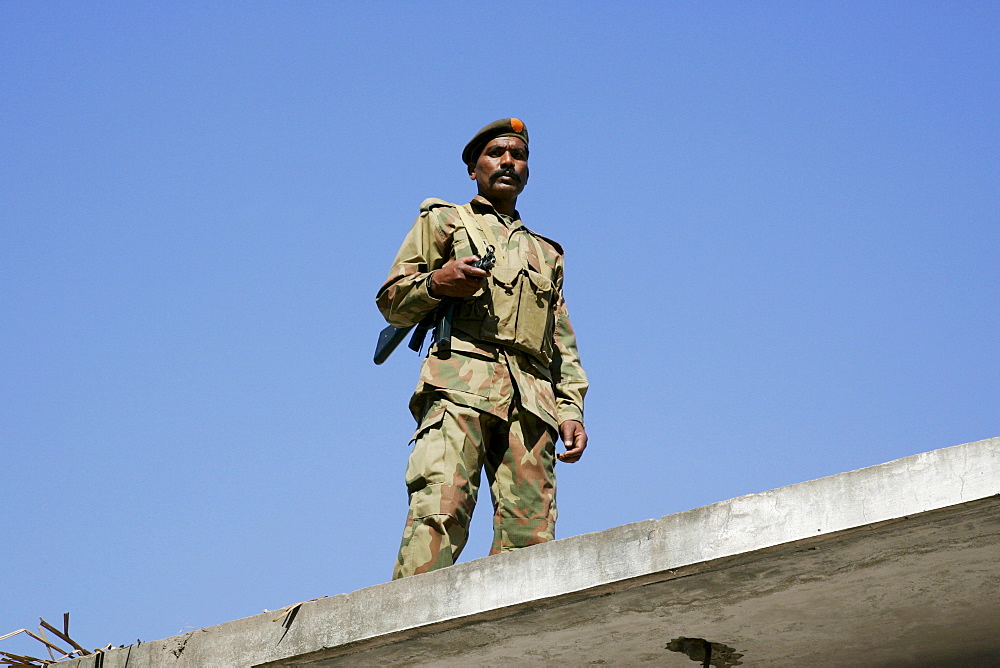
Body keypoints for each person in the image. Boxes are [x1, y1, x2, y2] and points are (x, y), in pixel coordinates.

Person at [376, 118, 589, 580]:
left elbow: (561, 343)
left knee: (530, 533)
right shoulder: (445, 220)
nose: (509, 161)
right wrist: (438, 282)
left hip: (532, 402)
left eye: (518, 154)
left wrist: (571, 409)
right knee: (441, 509)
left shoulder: (546, 254)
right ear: (474, 169)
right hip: (459, 386)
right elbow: (391, 301)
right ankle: (409, 631)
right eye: (496, 153)